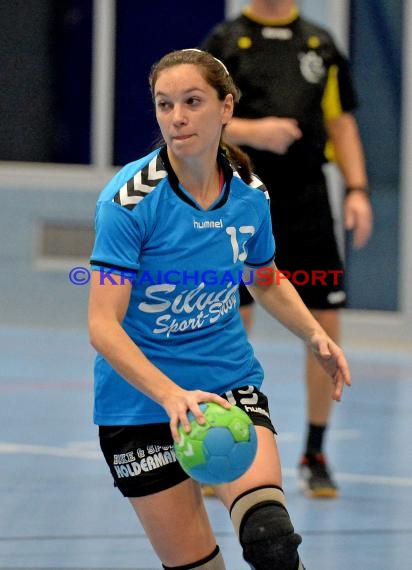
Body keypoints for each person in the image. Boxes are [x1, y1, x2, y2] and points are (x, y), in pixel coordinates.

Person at [88, 48, 351, 570]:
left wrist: (313, 335)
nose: (177, 117)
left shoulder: (249, 194)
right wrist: (171, 396)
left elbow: (265, 278)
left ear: (226, 107)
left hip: (227, 385)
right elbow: (102, 326)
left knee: (272, 543)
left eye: (192, 101)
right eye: (165, 105)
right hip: (141, 406)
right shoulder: (130, 201)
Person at [202, 0, 373, 498]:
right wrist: (257, 132)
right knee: (228, 316)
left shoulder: (319, 43)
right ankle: (220, 439)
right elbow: (200, 118)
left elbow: (341, 123)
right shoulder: (225, 42)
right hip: (239, 195)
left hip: (307, 202)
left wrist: (358, 189)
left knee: (324, 319)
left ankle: (315, 452)